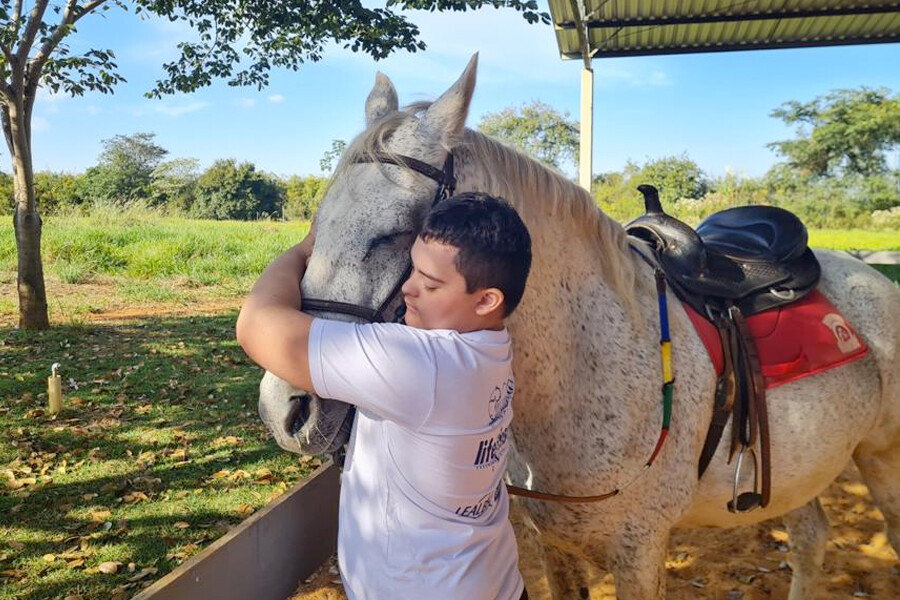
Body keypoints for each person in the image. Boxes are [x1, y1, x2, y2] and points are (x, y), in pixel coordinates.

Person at [236, 192, 532, 600]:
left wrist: (303, 251)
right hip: (492, 581)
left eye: (430, 284)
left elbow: (256, 325)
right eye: (412, 269)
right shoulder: (491, 346)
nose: (408, 289)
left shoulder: (422, 365)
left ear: (486, 300)